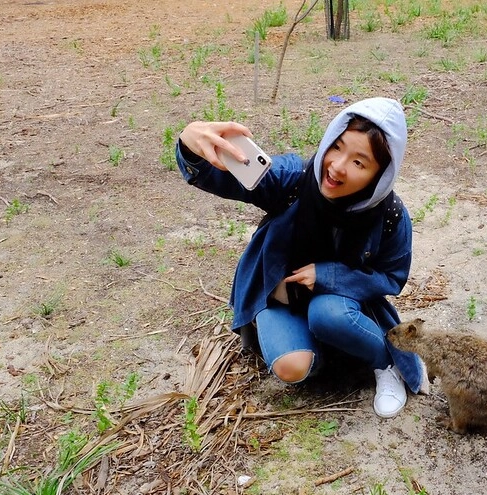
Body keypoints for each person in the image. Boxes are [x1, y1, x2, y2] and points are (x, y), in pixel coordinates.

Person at [175, 97, 426, 418]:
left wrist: (325, 276)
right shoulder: (295, 179)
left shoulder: (389, 216)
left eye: (359, 162)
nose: (336, 166)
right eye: (337, 146)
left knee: (328, 314)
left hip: (341, 299)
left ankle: (385, 363)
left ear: (380, 175)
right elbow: (228, 177)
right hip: (285, 291)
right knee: (290, 367)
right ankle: (332, 354)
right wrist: (190, 142)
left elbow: (392, 277)